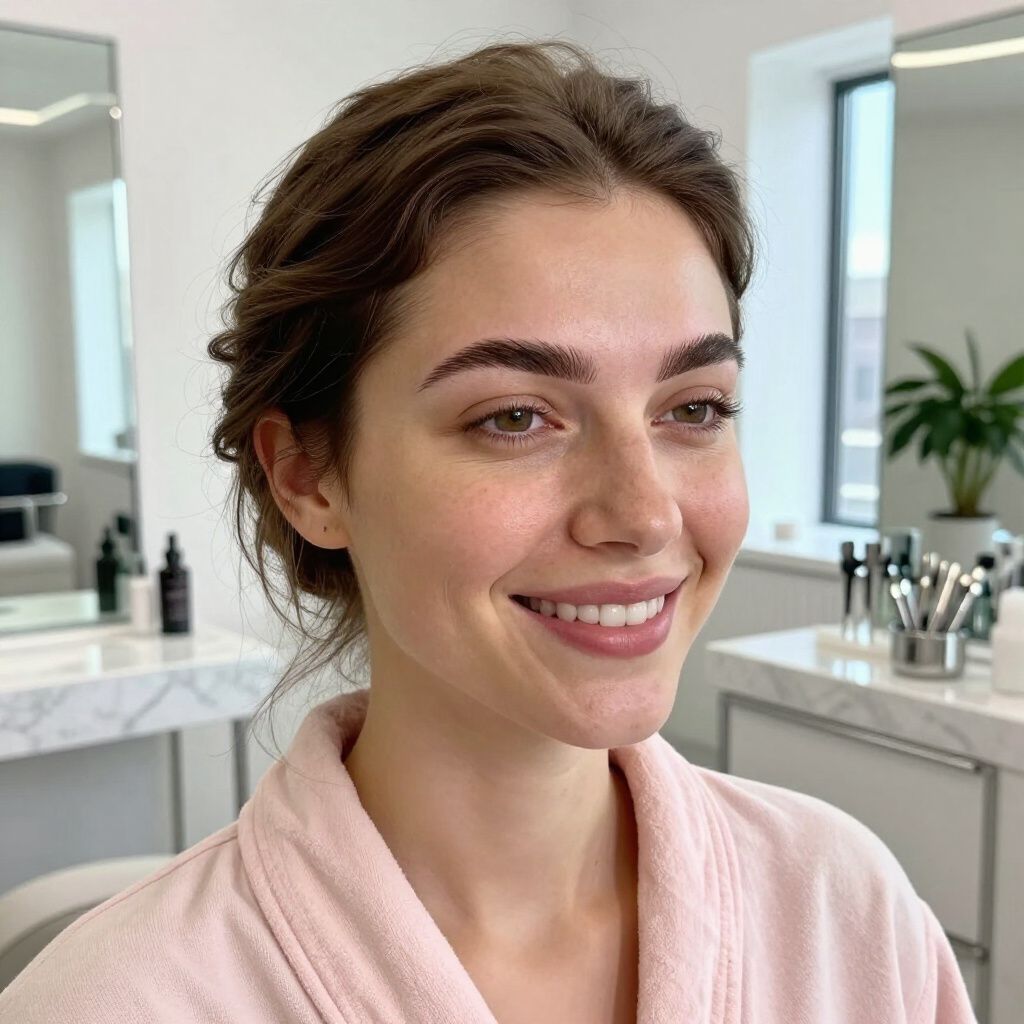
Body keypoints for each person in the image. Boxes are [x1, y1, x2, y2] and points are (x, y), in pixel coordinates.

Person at [0, 38, 977, 1024]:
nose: (643, 515)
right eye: (514, 416)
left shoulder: (844, 911)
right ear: (307, 475)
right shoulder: (115, 1000)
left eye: (693, 408)